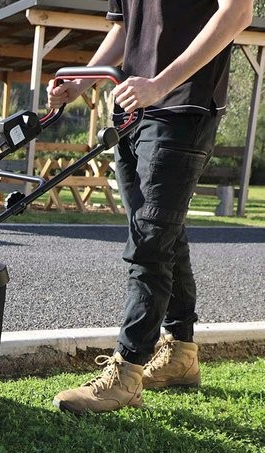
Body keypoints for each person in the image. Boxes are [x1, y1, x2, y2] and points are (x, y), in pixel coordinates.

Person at [48, 0, 253, 414]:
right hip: (131, 110)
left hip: (182, 107)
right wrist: (81, 81)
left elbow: (237, 12)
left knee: (150, 241)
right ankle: (181, 353)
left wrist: (160, 84)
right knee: (163, 232)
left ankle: (126, 373)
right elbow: (126, 28)